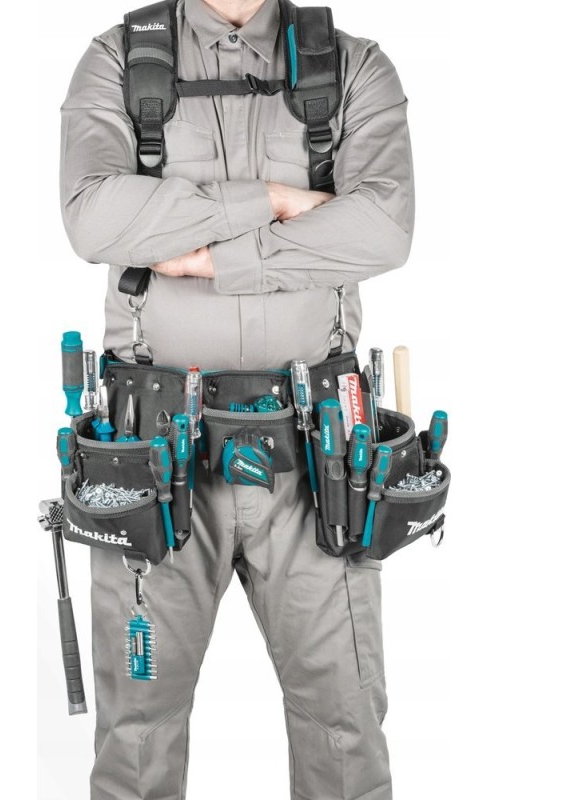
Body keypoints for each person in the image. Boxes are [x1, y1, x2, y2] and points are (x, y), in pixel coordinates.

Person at [59, 0, 414, 796]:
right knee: (137, 739)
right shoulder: (118, 62)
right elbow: (93, 218)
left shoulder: (352, 66)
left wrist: (211, 257)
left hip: (322, 459)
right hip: (150, 460)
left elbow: (383, 229)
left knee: (345, 732)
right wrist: (279, 201)